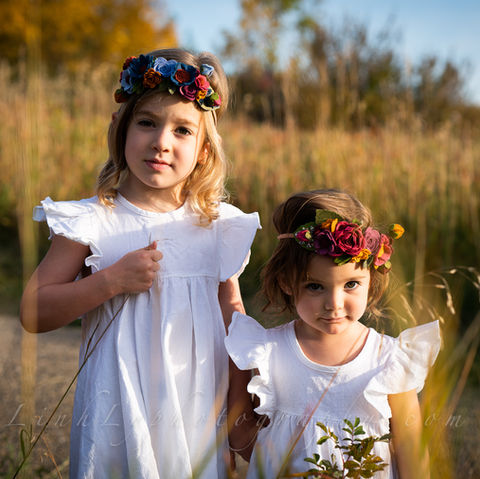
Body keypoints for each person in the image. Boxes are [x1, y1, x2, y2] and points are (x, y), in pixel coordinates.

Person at [20, 48, 260, 478]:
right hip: (118, 407)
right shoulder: (92, 221)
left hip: (198, 407)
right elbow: (33, 312)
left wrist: (239, 418)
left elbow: (233, 322)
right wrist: (109, 281)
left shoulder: (217, 227)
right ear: (120, 128)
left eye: (182, 130)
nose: (161, 142)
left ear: (204, 150)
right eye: (147, 122)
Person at [225, 189, 441, 479]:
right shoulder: (266, 352)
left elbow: (411, 448)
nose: (334, 304)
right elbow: (240, 433)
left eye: (351, 284)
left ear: (371, 278)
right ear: (287, 282)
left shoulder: (389, 359)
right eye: (315, 286)